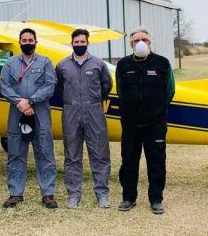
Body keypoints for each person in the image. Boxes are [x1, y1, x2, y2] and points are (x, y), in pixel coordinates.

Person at [116, 27, 175, 214]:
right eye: (136, 40)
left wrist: (156, 110)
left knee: (157, 162)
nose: (140, 43)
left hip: (155, 124)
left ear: (150, 42)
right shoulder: (123, 64)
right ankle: (128, 198)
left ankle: (156, 199)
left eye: (144, 40)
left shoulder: (162, 63)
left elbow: (170, 91)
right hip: (131, 123)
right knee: (128, 161)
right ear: (131, 44)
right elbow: (120, 90)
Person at [0, 28, 59, 209]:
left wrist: (31, 101)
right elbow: (5, 86)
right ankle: (15, 193)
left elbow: (50, 85)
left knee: (45, 153)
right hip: (17, 113)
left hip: (40, 113)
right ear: (19, 42)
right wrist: (21, 104)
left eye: (30, 40)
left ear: (36, 42)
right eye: (24, 40)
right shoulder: (10, 63)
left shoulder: (45, 62)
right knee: (15, 153)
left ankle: (48, 194)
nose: (27, 43)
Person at [56, 28, 113, 209]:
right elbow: (59, 87)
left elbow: (107, 85)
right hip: (71, 112)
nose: (79, 45)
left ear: (88, 43)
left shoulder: (98, 64)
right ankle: (73, 194)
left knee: (100, 154)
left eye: (83, 42)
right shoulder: (63, 65)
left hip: (94, 112)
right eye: (76, 42)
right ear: (71, 43)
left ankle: (102, 193)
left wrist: (93, 101)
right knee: (72, 155)